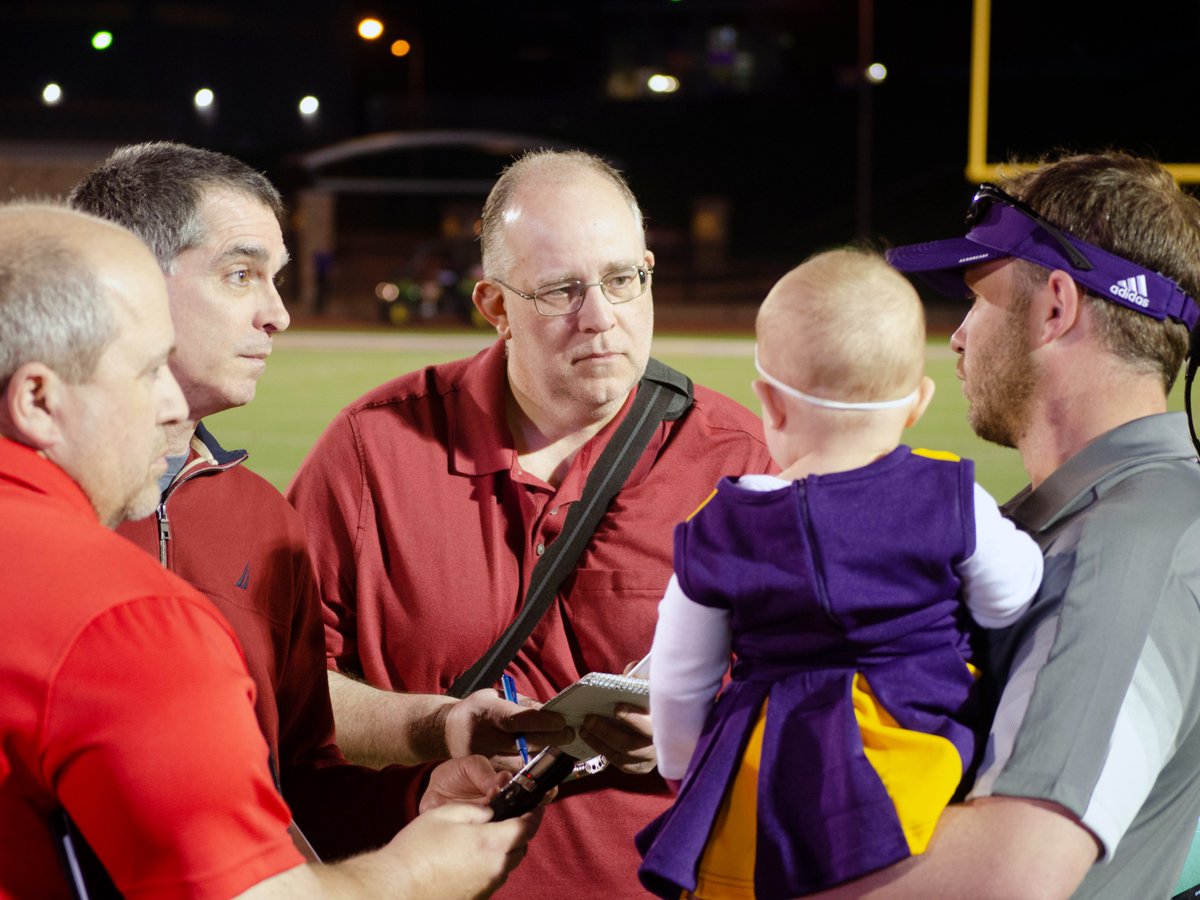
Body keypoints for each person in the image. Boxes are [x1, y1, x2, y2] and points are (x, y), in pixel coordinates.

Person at [0, 203, 540, 898]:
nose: (172, 406)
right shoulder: (121, 616)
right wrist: (418, 874)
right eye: (146, 372)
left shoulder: (245, 522)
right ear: (38, 399)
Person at [287, 149, 775, 897]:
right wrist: (435, 725)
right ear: (494, 306)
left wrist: (689, 731)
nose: (601, 318)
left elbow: (817, 701)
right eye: (560, 291)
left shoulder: (739, 462)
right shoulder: (371, 450)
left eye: (622, 279)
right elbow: (286, 691)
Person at [802, 151, 1200, 898]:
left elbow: (1011, 875)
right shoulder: (1086, 518)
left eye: (977, 300)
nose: (957, 337)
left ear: (1055, 306)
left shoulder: (1131, 543)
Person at [635, 248, 1044, 898]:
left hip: (767, 771)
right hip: (920, 747)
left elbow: (680, 678)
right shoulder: (949, 493)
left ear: (769, 401)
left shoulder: (722, 523)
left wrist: (687, 770)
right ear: (918, 403)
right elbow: (1012, 596)